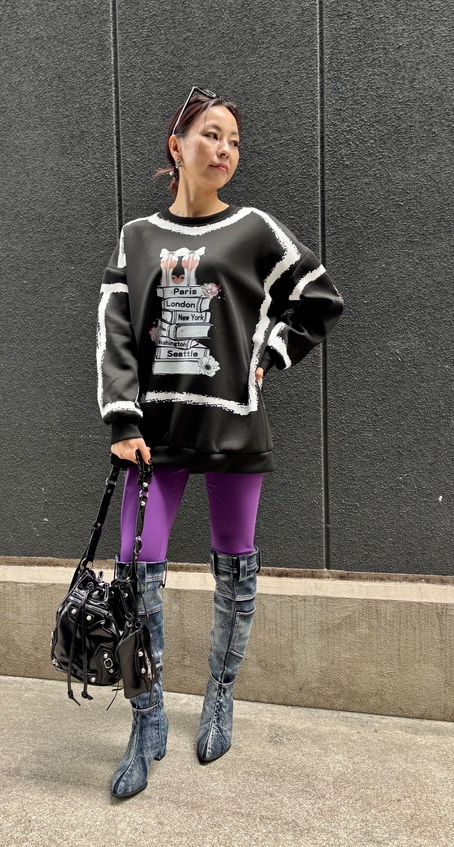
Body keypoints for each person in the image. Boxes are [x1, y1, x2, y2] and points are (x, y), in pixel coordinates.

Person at [96, 86, 344, 799]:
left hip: (234, 426)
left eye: (234, 140)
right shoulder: (137, 238)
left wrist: (271, 351)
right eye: (211, 134)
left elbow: (320, 298)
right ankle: (146, 718)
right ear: (176, 146)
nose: (224, 150)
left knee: (236, 565)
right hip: (154, 437)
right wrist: (123, 421)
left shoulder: (255, 230)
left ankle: (221, 695)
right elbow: (115, 331)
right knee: (134, 569)